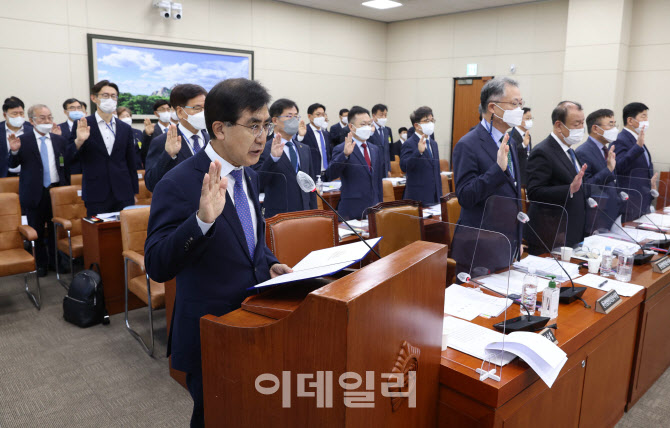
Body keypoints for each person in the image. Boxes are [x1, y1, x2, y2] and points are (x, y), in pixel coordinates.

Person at [144, 78, 292, 428]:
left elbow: (249, 239)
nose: (263, 136)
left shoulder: (248, 174)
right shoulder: (179, 182)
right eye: (253, 126)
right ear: (219, 129)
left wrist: (270, 264)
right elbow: (157, 264)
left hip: (255, 322)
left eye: (266, 125)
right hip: (212, 334)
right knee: (216, 417)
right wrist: (200, 222)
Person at [451, 78, 523, 273]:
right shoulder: (468, 144)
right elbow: (465, 196)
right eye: (514, 104)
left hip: (506, 242)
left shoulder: (511, 142)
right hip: (478, 245)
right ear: (493, 107)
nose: (519, 110)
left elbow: (514, 192)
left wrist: (518, 236)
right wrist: (497, 170)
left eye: (521, 104)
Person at [526, 101, 616, 253]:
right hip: (550, 233)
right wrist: (569, 189)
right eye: (576, 124)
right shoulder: (542, 151)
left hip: (571, 230)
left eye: (582, 123)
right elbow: (534, 192)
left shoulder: (569, 151)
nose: (581, 128)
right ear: (559, 125)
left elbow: (581, 186)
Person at [8, 104, 69, 276]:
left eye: (49, 117)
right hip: (34, 192)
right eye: (42, 118)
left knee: (55, 229)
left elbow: (65, 166)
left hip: (55, 190)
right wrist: (14, 152)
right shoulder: (23, 140)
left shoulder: (59, 140)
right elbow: (12, 165)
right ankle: (40, 263)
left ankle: (55, 262)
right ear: (31, 121)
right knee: (37, 230)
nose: (47, 121)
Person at [66, 80, 139, 217]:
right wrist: (79, 140)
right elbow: (69, 157)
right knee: (98, 235)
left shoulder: (125, 128)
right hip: (96, 192)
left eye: (113, 96)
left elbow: (131, 162)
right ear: (94, 98)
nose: (110, 99)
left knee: (124, 234)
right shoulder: (82, 124)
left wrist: (134, 191)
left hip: (123, 191)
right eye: (105, 95)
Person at [257, 98, 316, 218]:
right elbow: (259, 182)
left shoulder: (304, 149)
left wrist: (314, 213)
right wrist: (273, 158)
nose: (294, 121)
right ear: (275, 120)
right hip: (279, 217)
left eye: (296, 116)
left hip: (305, 214)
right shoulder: (264, 148)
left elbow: (311, 186)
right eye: (289, 116)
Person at [144, 84, 209, 192]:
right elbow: (151, 183)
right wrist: (169, 155)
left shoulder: (212, 139)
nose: (204, 113)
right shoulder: (162, 141)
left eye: (206, 108)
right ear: (180, 112)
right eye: (197, 108)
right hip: (181, 206)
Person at [326, 106, 383, 220]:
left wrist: (380, 205)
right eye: (363, 124)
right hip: (352, 210)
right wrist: (345, 155)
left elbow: (377, 181)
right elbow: (331, 174)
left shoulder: (375, 149)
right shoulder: (341, 148)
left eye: (369, 124)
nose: (367, 127)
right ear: (351, 126)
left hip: (374, 209)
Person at [576, 109, 618, 231]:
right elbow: (586, 186)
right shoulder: (584, 152)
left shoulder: (607, 150)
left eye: (615, 124)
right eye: (610, 124)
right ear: (595, 128)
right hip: (595, 216)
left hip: (610, 213)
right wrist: (608, 169)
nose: (614, 129)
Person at [613, 102, 655, 221]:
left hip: (643, 199)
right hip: (629, 202)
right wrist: (637, 147)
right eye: (643, 116)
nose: (646, 120)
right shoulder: (620, 139)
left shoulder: (638, 139)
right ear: (630, 120)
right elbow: (618, 166)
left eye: (647, 116)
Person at [400, 106, 441, 206]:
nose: (430, 124)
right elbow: (404, 167)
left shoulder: (433, 143)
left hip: (435, 197)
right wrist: (418, 152)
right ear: (417, 125)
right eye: (426, 120)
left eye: (432, 120)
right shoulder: (409, 143)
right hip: (417, 198)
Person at [1, 96, 33, 177]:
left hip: (28, 175)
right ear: (5, 115)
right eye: (15, 113)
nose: (19, 116)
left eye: (21, 113)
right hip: (4, 175)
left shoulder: (32, 129)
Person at [301, 103, 331, 180]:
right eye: (318, 114)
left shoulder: (325, 133)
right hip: (312, 175)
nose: (321, 117)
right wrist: (300, 136)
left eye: (323, 114)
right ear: (309, 116)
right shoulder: (304, 132)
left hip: (326, 175)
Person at [140, 99, 172, 164]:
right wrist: (148, 135)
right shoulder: (150, 131)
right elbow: (145, 152)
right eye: (163, 109)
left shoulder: (176, 129)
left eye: (168, 109)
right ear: (156, 113)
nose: (166, 112)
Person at [58, 98, 85, 176]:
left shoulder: (89, 126)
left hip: (88, 167)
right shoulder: (58, 128)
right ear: (65, 112)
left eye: (79, 108)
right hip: (69, 169)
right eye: (72, 108)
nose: (76, 110)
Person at [509, 107, 533, 187]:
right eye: (527, 118)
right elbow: (511, 153)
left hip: (528, 175)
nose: (530, 121)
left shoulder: (528, 135)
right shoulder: (511, 134)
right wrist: (523, 145)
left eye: (531, 118)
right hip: (517, 175)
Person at [370, 103, 392, 177]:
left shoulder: (386, 130)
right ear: (374, 116)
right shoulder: (368, 129)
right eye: (381, 115)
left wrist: (388, 169)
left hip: (384, 168)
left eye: (385, 115)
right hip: (373, 167)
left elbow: (387, 150)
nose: (384, 117)